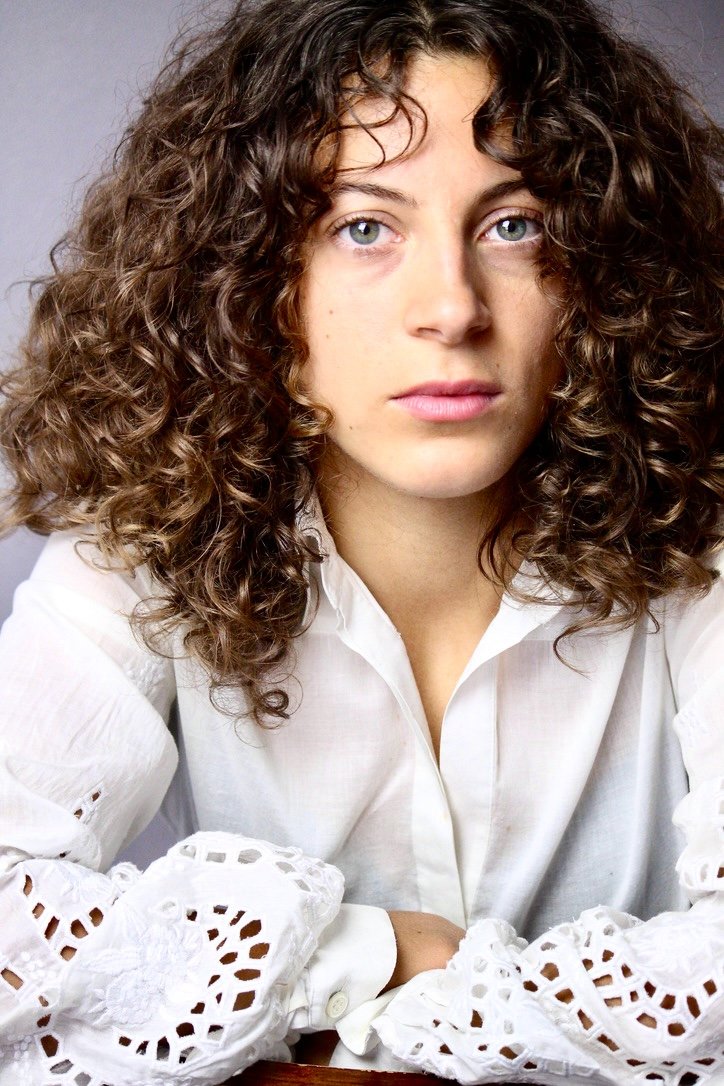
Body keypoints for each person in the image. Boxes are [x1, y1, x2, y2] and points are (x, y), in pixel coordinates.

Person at [0, 0, 722, 1082]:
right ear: (246, 284)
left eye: (513, 225)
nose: (450, 307)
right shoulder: (145, 542)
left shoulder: (698, 529)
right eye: (363, 226)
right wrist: (358, 952)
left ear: (606, 279)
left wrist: (408, 1008)